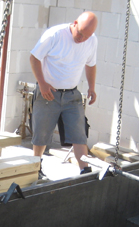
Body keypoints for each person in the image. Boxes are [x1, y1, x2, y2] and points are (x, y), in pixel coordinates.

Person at [30, 11, 98, 178]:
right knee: (41, 134)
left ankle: (85, 171)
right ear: (74, 23)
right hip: (48, 93)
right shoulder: (55, 35)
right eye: (79, 33)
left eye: (86, 37)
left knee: (79, 134)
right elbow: (34, 58)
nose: (81, 39)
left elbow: (91, 64)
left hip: (72, 95)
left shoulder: (92, 41)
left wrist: (92, 87)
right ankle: (35, 168)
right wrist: (42, 83)